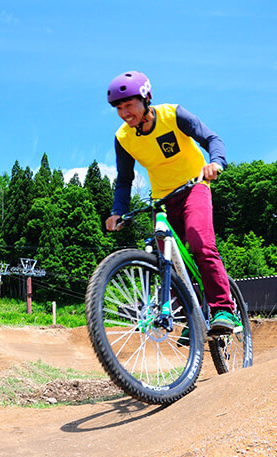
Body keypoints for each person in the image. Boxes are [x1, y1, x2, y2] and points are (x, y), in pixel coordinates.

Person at [104, 70, 239, 335]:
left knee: (199, 241)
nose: (124, 113)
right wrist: (117, 211)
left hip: (194, 186)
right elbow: (124, 180)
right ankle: (193, 319)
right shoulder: (123, 138)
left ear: (146, 99)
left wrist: (215, 163)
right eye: (118, 108)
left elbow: (212, 139)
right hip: (162, 200)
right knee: (169, 261)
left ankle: (224, 309)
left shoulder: (173, 115)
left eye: (129, 105)